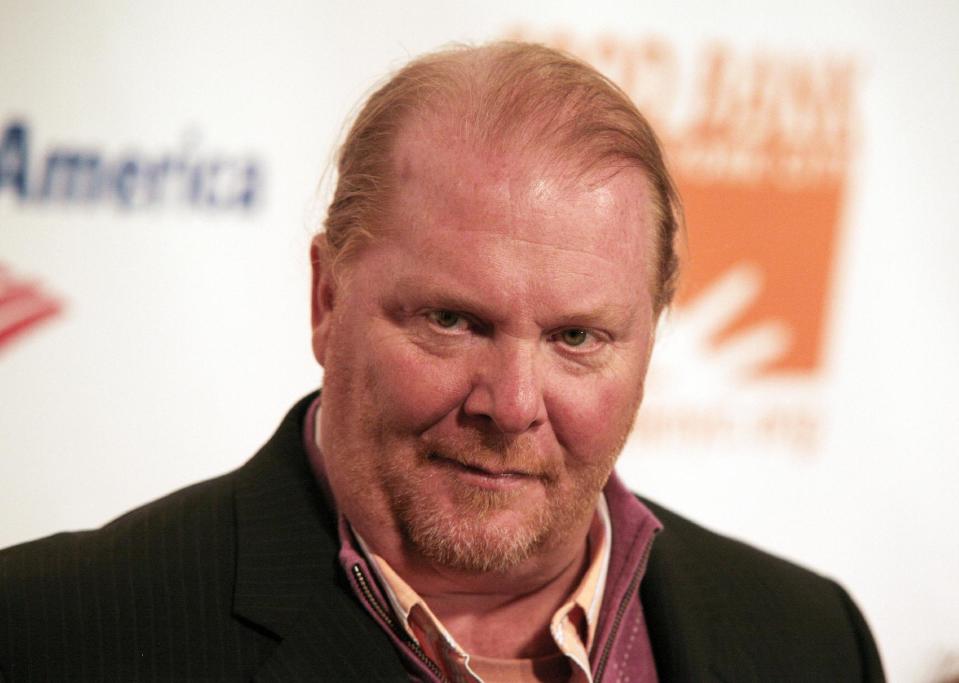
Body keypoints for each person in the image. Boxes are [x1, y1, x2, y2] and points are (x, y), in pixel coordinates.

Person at [0, 42, 883, 682]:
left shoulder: (810, 639)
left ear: (647, 341)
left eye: (577, 338)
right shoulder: (54, 632)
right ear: (327, 299)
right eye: (453, 320)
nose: (510, 403)